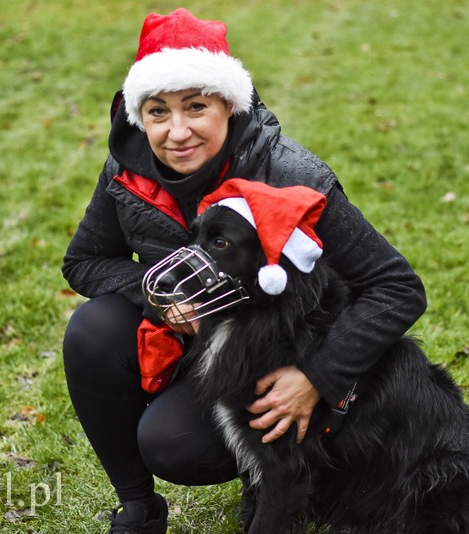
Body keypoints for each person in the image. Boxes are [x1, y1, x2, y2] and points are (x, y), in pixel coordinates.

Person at [62, 8, 426, 534]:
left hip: (268, 356)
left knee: (173, 444)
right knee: (91, 330)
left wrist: (318, 378)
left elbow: (397, 288)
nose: (177, 131)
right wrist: (161, 297)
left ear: (229, 106)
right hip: (190, 342)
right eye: (158, 111)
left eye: (196, 107)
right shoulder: (128, 167)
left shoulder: (292, 174)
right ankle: (139, 507)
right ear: (139, 115)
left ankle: (281, 475)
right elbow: (83, 261)